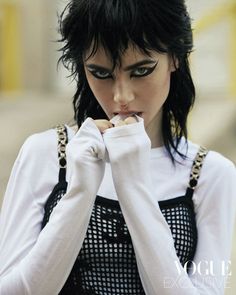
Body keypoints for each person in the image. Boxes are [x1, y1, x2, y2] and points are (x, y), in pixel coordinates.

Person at [0, 0, 235, 294]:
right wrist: (79, 191)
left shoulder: (211, 175)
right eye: (101, 73)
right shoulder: (46, 154)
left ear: (175, 57)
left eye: (141, 71)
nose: (121, 96)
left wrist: (134, 186)